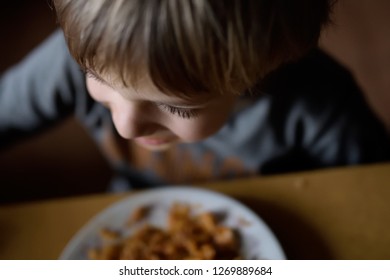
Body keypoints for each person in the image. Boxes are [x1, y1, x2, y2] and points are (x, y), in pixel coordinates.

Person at [1, 0, 389, 192]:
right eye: (93, 77)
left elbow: (370, 194)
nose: (125, 125)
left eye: (175, 107)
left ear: (266, 70)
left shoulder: (320, 104)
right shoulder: (86, 52)